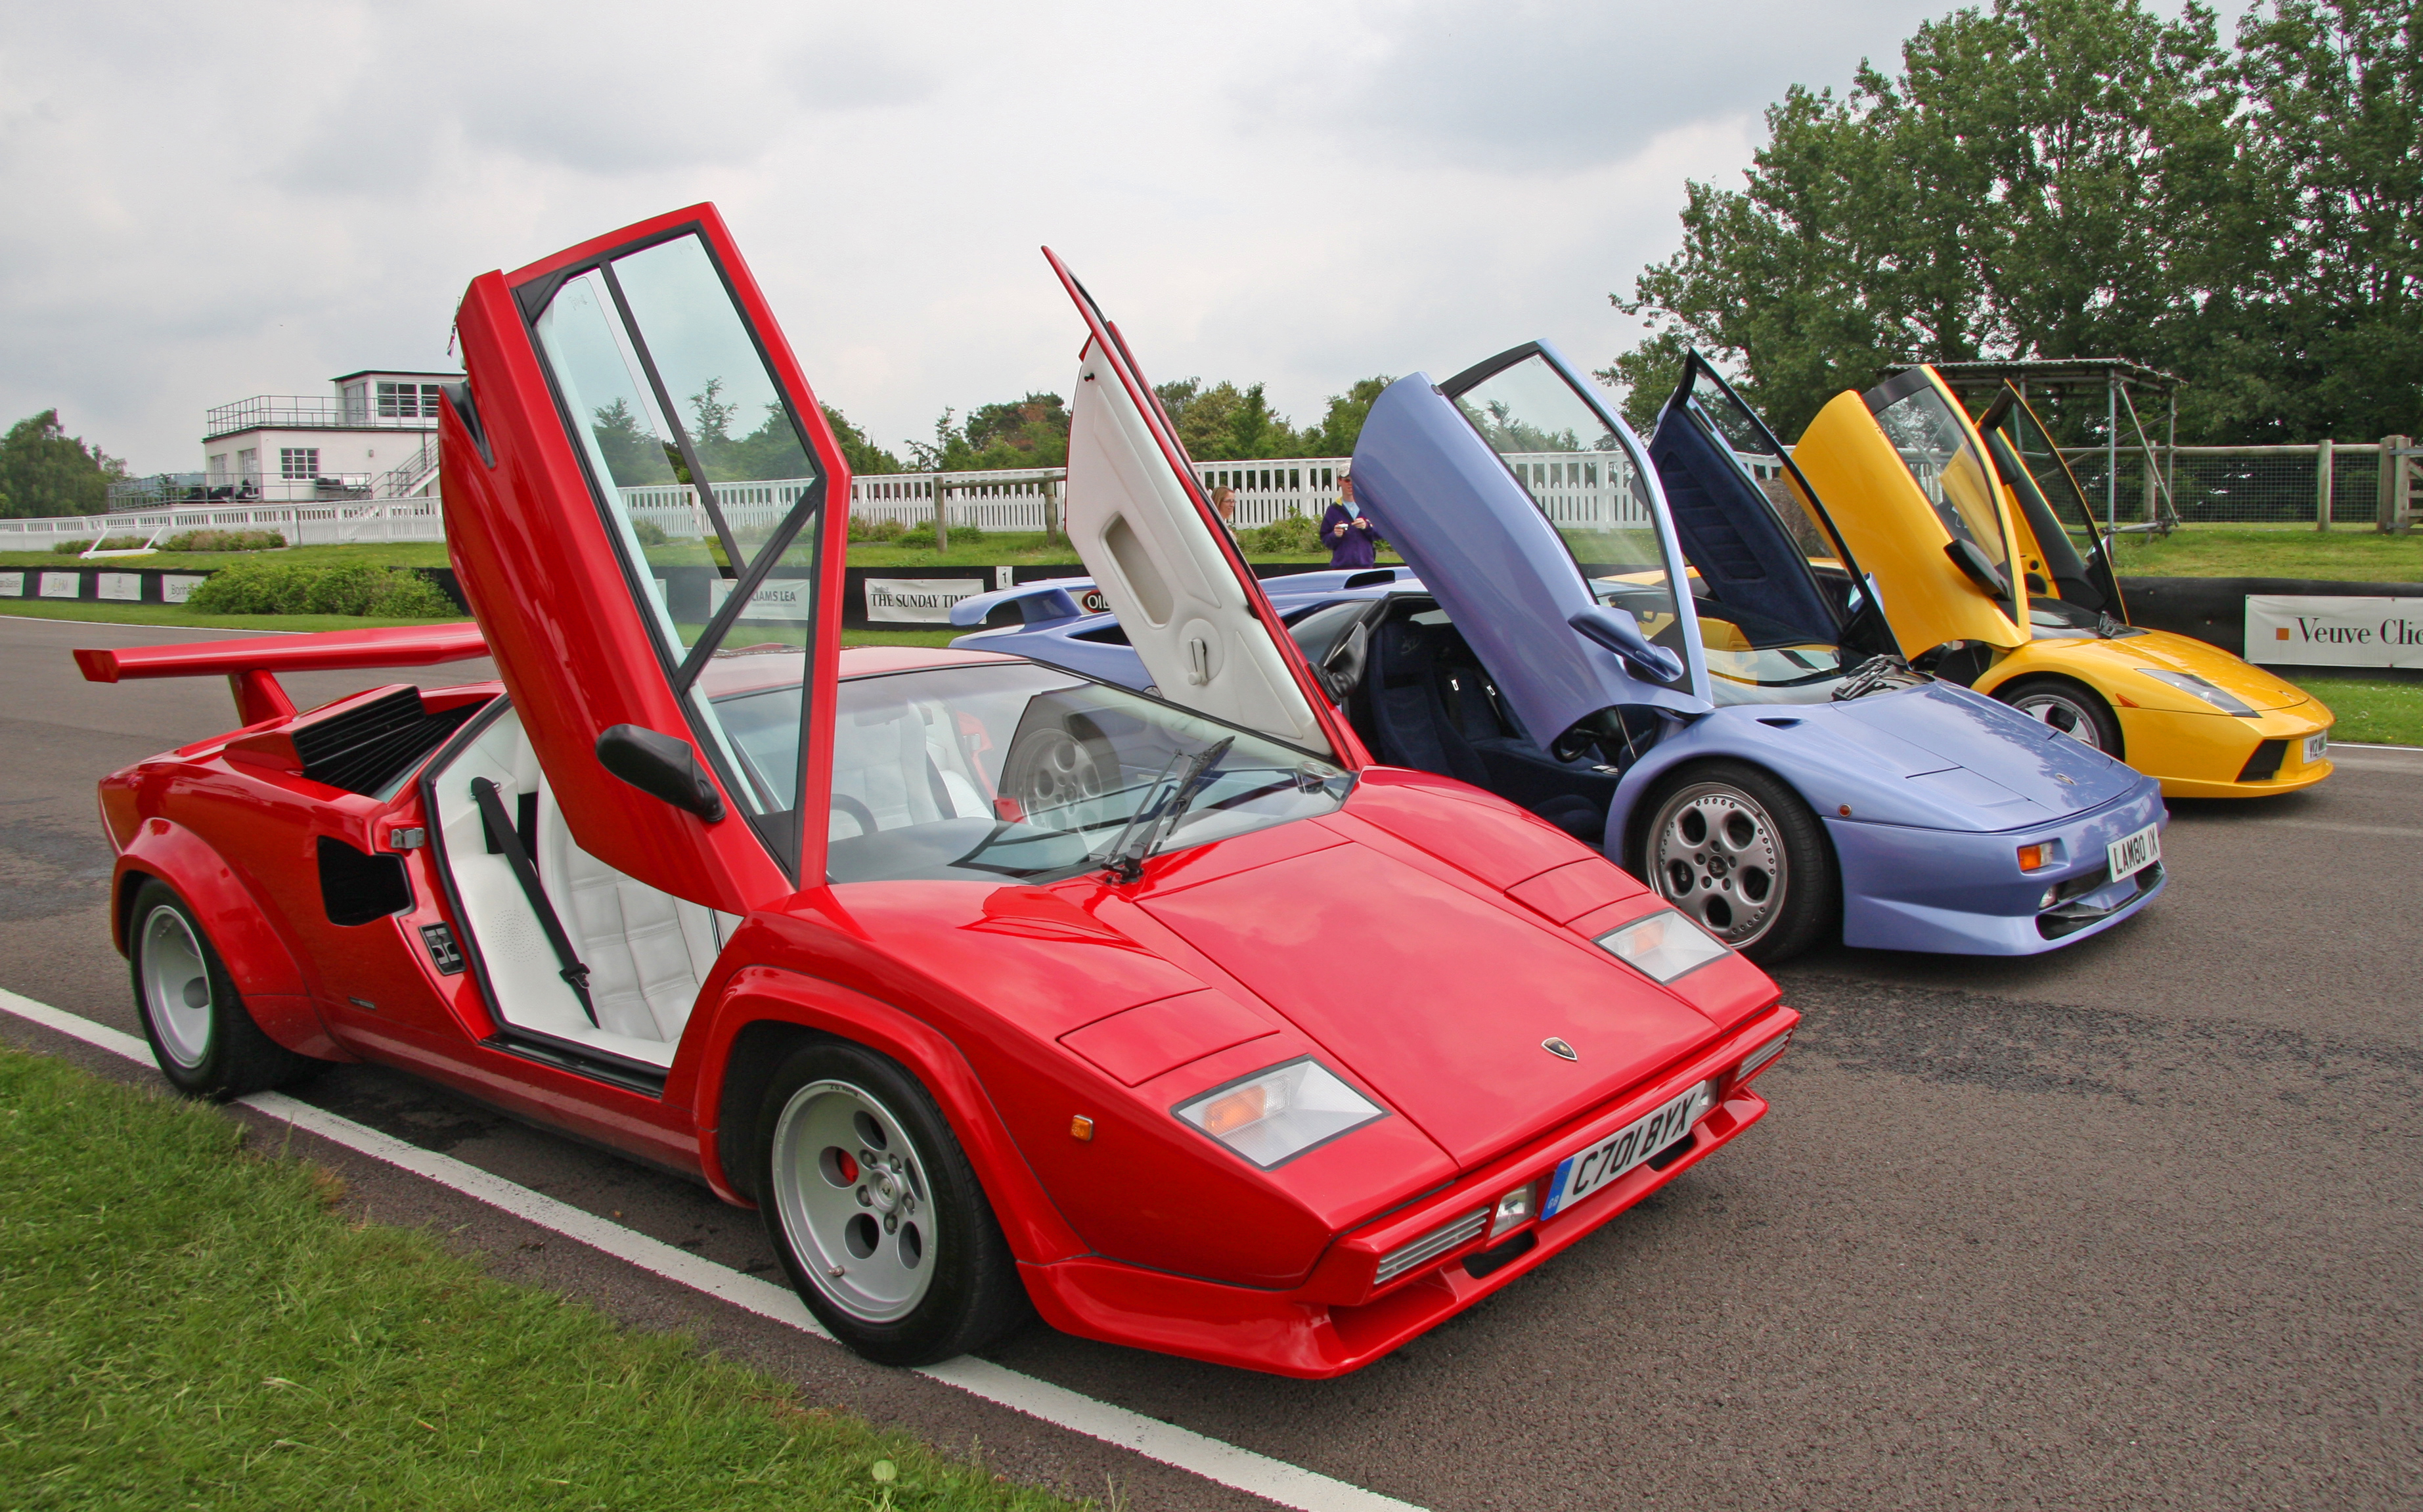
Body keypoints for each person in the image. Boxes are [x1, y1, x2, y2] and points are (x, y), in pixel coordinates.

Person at [1321, 472, 1378, 568]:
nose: (1351, 484)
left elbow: (1381, 533)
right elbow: (1325, 539)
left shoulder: (1368, 508)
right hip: (1341, 567)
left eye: (1354, 481)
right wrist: (1335, 535)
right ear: (1339, 481)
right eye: (1347, 481)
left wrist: (1367, 527)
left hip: (1366, 566)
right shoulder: (1333, 510)